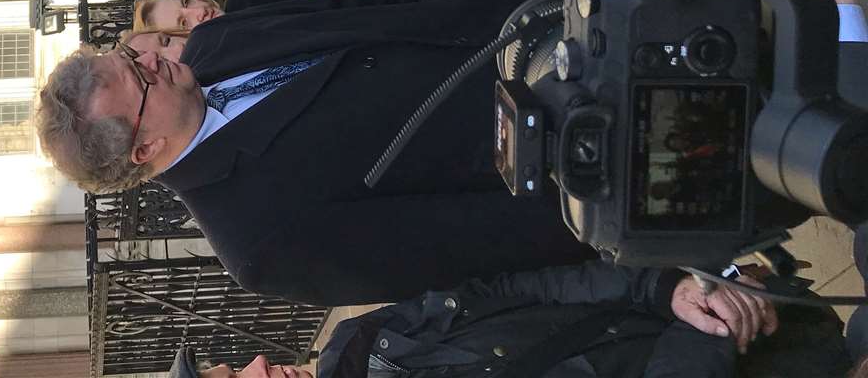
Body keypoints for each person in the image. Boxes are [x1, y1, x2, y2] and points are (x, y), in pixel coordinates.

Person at [37, 0, 602, 304]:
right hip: (576, 141)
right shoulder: (259, 242)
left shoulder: (213, 45)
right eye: (138, 78)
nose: (150, 60)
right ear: (144, 148)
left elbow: (361, 10)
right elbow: (472, 243)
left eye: (126, 57)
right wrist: (594, 201)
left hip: (542, 15)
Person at [164, 259, 853, 378]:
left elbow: (519, 288)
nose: (257, 364)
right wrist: (703, 335)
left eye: (234, 361)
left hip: (749, 327)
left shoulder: (356, 341)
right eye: (236, 377)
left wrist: (668, 290)